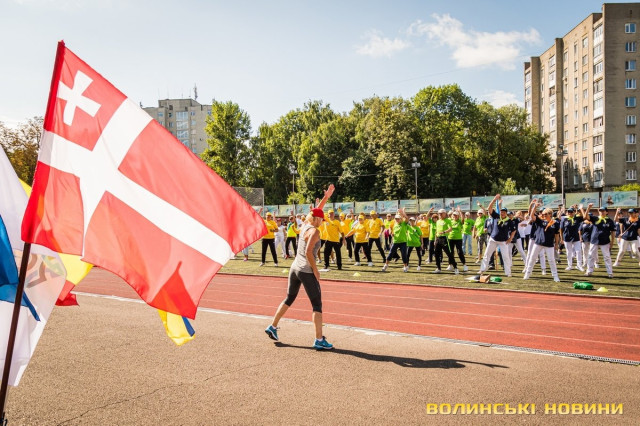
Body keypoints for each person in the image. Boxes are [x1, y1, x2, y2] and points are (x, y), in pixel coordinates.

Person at [265, 185, 335, 350]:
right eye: (322, 220)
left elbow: (316, 211)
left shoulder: (305, 224)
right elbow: (309, 252)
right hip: (306, 270)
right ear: (317, 220)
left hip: (295, 268)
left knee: (289, 298)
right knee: (317, 305)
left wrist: (326, 198)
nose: (322, 222)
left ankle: (273, 326)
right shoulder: (315, 231)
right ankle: (319, 339)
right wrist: (316, 271)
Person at [523, 201, 561, 282]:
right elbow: (532, 215)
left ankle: (555, 276)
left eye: (546, 214)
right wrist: (535, 206)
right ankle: (528, 273)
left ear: (550, 214)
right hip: (538, 242)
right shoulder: (540, 221)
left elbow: (557, 234)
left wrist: (556, 244)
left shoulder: (555, 223)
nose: (544, 215)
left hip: (549, 244)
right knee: (532, 258)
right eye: (543, 214)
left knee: (551, 260)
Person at [478, 194, 516, 277]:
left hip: (503, 241)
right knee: (487, 255)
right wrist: (494, 199)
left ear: (506, 213)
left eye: (504, 212)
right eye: (501, 212)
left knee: (506, 257)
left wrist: (510, 239)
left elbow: (514, 230)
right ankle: (482, 269)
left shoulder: (509, 221)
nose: (502, 213)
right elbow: (489, 208)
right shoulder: (496, 216)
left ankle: (508, 272)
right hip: (493, 239)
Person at [583, 204, 616, 278]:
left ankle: (610, 273)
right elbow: (585, 217)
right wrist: (588, 208)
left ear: (607, 212)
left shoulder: (610, 221)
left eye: (603, 211)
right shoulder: (595, 218)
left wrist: (612, 241)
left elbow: (613, 232)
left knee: (607, 257)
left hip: (605, 241)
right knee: (591, 256)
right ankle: (589, 271)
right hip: (594, 240)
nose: (602, 212)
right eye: (600, 211)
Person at [432, 208, 458, 274]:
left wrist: (444, 232)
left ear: (444, 214)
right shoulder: (438, 221)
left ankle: (455, 267)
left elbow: (450, 229)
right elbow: (436, 231)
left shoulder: (447, 220)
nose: (440, 215)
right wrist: (435, 240)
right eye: (439, 214)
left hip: (444, 238)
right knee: (436, 254)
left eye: (441, 213)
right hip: (438, 239)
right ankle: (438, 268)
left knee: (449, 254)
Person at [559, 206, 584, 271]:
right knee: (568, 252)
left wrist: (580, 209)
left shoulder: (577, 218)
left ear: (574, 212)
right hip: (567, 237)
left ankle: (579, 265)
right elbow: (561, 229)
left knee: (578, 251)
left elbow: (583, 216)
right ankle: (569, 265)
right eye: (568, 212)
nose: (570, 213)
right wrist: (561, 239)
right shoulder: (564, 219)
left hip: (576, 237)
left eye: (571, 212)